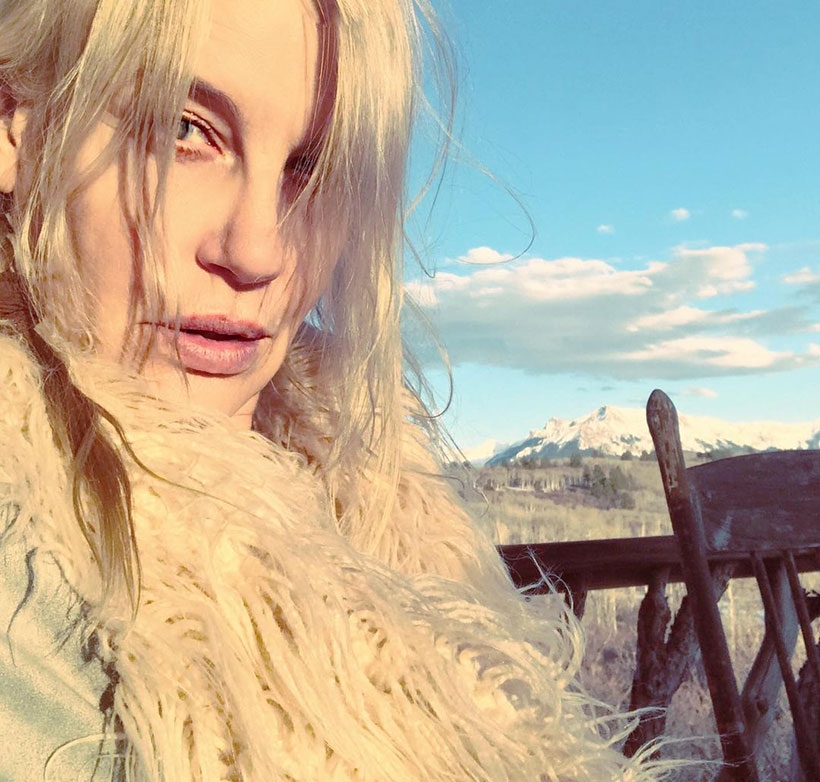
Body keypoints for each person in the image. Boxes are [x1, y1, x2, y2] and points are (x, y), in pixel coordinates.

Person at [0, 0, 676, 780]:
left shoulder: (387, 501)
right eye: (182, 129)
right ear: (18, 123)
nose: (257, 250)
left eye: (311, 170)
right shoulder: (32, 618)